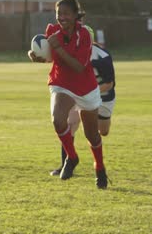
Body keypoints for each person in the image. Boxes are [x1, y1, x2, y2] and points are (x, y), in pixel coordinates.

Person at [28, 0, 109, 189]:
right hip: (61, 82)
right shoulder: (52, 31)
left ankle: (99, 168)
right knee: (57, 119)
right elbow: (51, 57)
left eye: (66, 13)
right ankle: (71, 158)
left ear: (75, 15)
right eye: (58, 14)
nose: (61, 17)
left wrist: (57, 47)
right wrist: (38, 57)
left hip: (85, 86)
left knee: (92, 135)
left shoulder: (84, 35)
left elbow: (79, 66)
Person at [49, 42, 116, 176]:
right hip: (79, 93)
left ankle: (98, 162)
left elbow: (109, 84)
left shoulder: (102, 57)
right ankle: (66, 165)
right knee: (70, 124)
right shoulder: (72, 54)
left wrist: (91, 92)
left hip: (103, 97)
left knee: (103, 131)